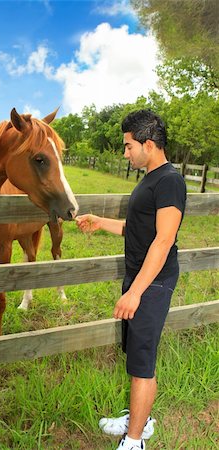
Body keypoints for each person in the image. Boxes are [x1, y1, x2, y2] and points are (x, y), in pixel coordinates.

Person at [75, 109, 186, 450]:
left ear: (148, 144)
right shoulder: (151, 178)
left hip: (151, 283)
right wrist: (99, 221)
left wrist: (136, 292)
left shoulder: (169, 181)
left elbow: (163, 240)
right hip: (140, 279)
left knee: (142, 362)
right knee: (136, 355)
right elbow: (136, 229)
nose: (125, 154)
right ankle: (142, 418)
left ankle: (134, 439)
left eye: (127, 147)